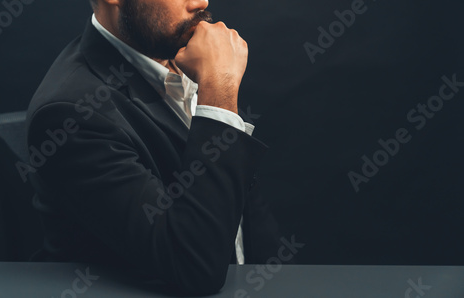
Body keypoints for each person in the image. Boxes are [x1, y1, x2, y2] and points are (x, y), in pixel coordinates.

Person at [26, 0, 293, 294]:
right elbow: (193, 267)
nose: (201, 1)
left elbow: (240, 204)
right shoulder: (71, 116)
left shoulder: (187, 57)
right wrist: (220, 88)